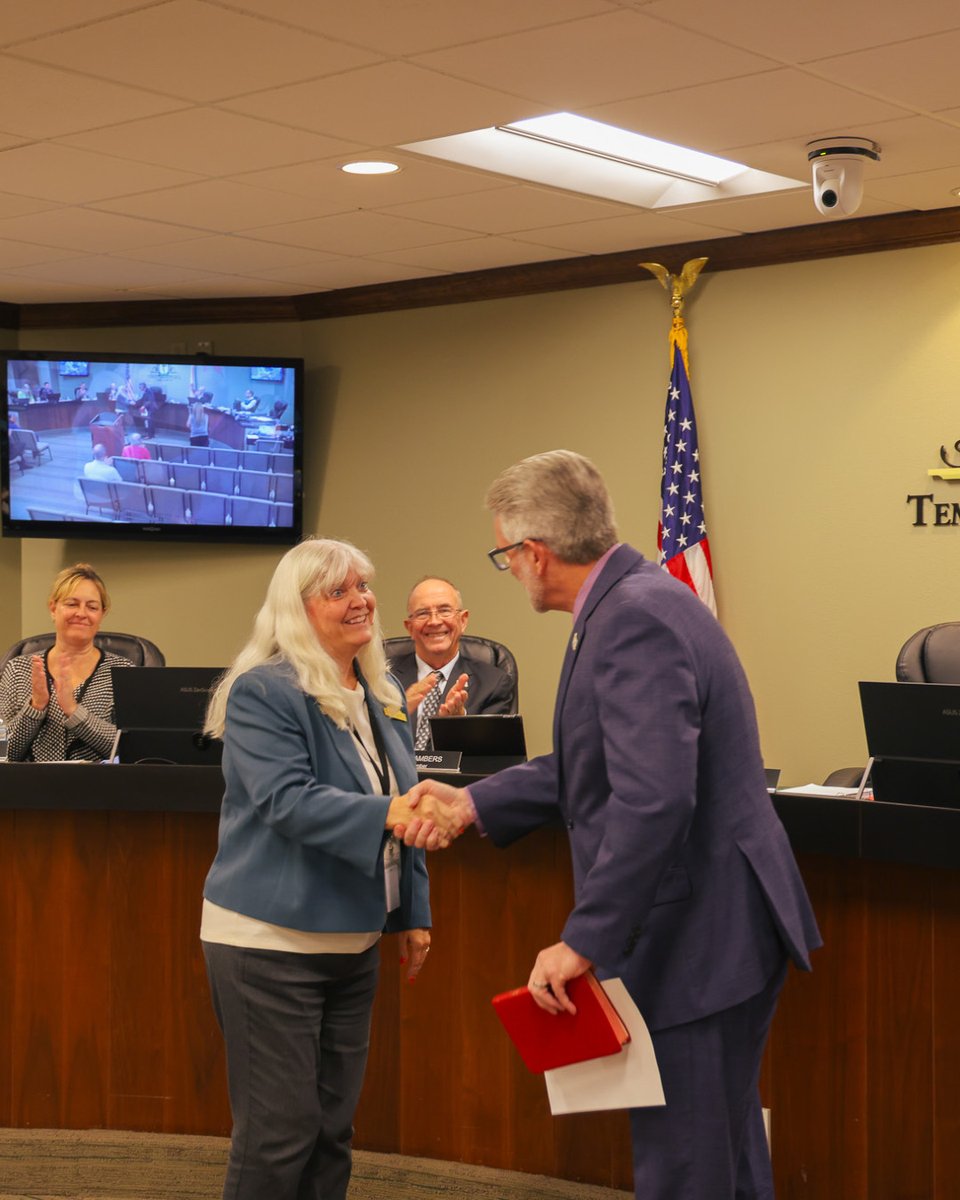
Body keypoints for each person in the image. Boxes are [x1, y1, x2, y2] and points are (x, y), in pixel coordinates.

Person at [404, 450, 822, 1200]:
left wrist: (583, 938)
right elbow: (592, 761)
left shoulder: (633, 619)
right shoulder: (632, 601)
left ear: (534, 554)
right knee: (720, 1157)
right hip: (716, 933)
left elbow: (654, 799)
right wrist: (474, 803)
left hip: (701, 944)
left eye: (506, 555)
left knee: (688, 1168)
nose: (512, 570)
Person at [200, 537, 459, 1200]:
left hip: (354, 940)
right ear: (298, 608)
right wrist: (390, 815)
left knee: (330, 1133)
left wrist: (413, 914)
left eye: (364, 586)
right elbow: (288, 802)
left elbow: (403, 796)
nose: (361, 601)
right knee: (278, 1134)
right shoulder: (265, 691)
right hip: (269, 944)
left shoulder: (379, 688)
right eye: (339, 590)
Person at [0, 563, 132, 762]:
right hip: (28, 788)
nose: (81, 613)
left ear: (102, 614)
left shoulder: (123, 672)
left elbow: (131, 750)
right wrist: (36, 707)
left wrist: (73, 711)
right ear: (53, 608)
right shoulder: (18, 669)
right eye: (72, 604)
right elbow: (5, 753)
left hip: (99, 788)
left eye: (92, 607)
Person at [389, 576, 515, 750]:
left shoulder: (493, 683)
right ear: (409, 627)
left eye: (444, 610)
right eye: (423, 613)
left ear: (463, 620)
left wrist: (459, 723)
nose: (434, 621)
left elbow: (491, 759)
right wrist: (398, 709)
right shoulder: (383, 679)